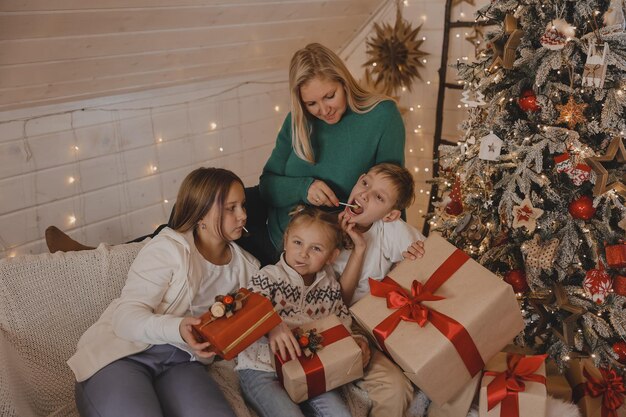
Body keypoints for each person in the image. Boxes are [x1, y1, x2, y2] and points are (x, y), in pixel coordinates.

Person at [67, 167, 260, 417]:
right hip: (125, 352)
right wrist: (178, 328)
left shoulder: (247, 268)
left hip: (183, 363)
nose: (243, 215)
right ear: (201, 213)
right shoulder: (168, 249)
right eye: (230, 208)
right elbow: (125, 318)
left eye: (242, 205)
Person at [256, 42, 406, 263]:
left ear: (344, 82)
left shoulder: (382, 116)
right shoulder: (296, 122)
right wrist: (303, 188)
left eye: (330, 96)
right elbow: (267, 186)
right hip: (279, 244)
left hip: (333, 255)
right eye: (311, 103)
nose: (324, 110)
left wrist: (401, 248)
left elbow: (393, 193)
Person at [236, 205, 370, 417]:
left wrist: (356, 339)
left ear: (331, 256)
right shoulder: (268, 277)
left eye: (316, 248)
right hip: (261, 368)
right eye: (297, 243)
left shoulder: (330, 286)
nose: (303, 253)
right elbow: (249, 310)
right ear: (287, 239)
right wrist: (272, 326)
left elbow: (342, 321)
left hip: (308, 369)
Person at [333, 162, 426, 417]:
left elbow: (429, 259)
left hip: (380, 322)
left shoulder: (390, 229)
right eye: (365, 183)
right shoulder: (326, 229)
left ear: (390, 215)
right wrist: (358, 249)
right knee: (395, 388)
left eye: (378, 197)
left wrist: (415, 256)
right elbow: (339, 302)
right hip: (343, 322)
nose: (364, 194)